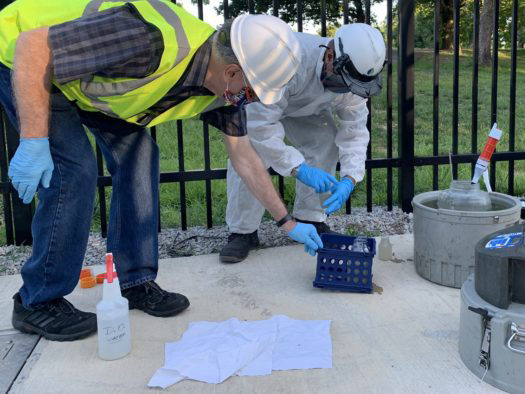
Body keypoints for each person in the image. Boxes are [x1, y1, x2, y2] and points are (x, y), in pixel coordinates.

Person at [1, 0, 322, 342]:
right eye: (251, 94)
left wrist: (287, 223)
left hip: (84, 80)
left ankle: (135, 281)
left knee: (140, 153)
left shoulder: (222, 90)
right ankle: (38, 301)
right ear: (231, 72)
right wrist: (34, 141)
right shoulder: (150, 40)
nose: (248, 103)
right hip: (26, 59)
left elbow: (244, 156)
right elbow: (33, 47)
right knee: (75, 170)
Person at [220, 23, 386, 263]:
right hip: (266, 100)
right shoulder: (289, 60)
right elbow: (260, 126)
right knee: (252, 152)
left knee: (325, 142)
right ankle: (242, 231)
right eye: (345, 82)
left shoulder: (356, 80)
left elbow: (355, 132)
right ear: (330, 56)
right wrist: (298, 168)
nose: (349, 90)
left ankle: (311, 218)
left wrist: (350, 178)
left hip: (307, 108)